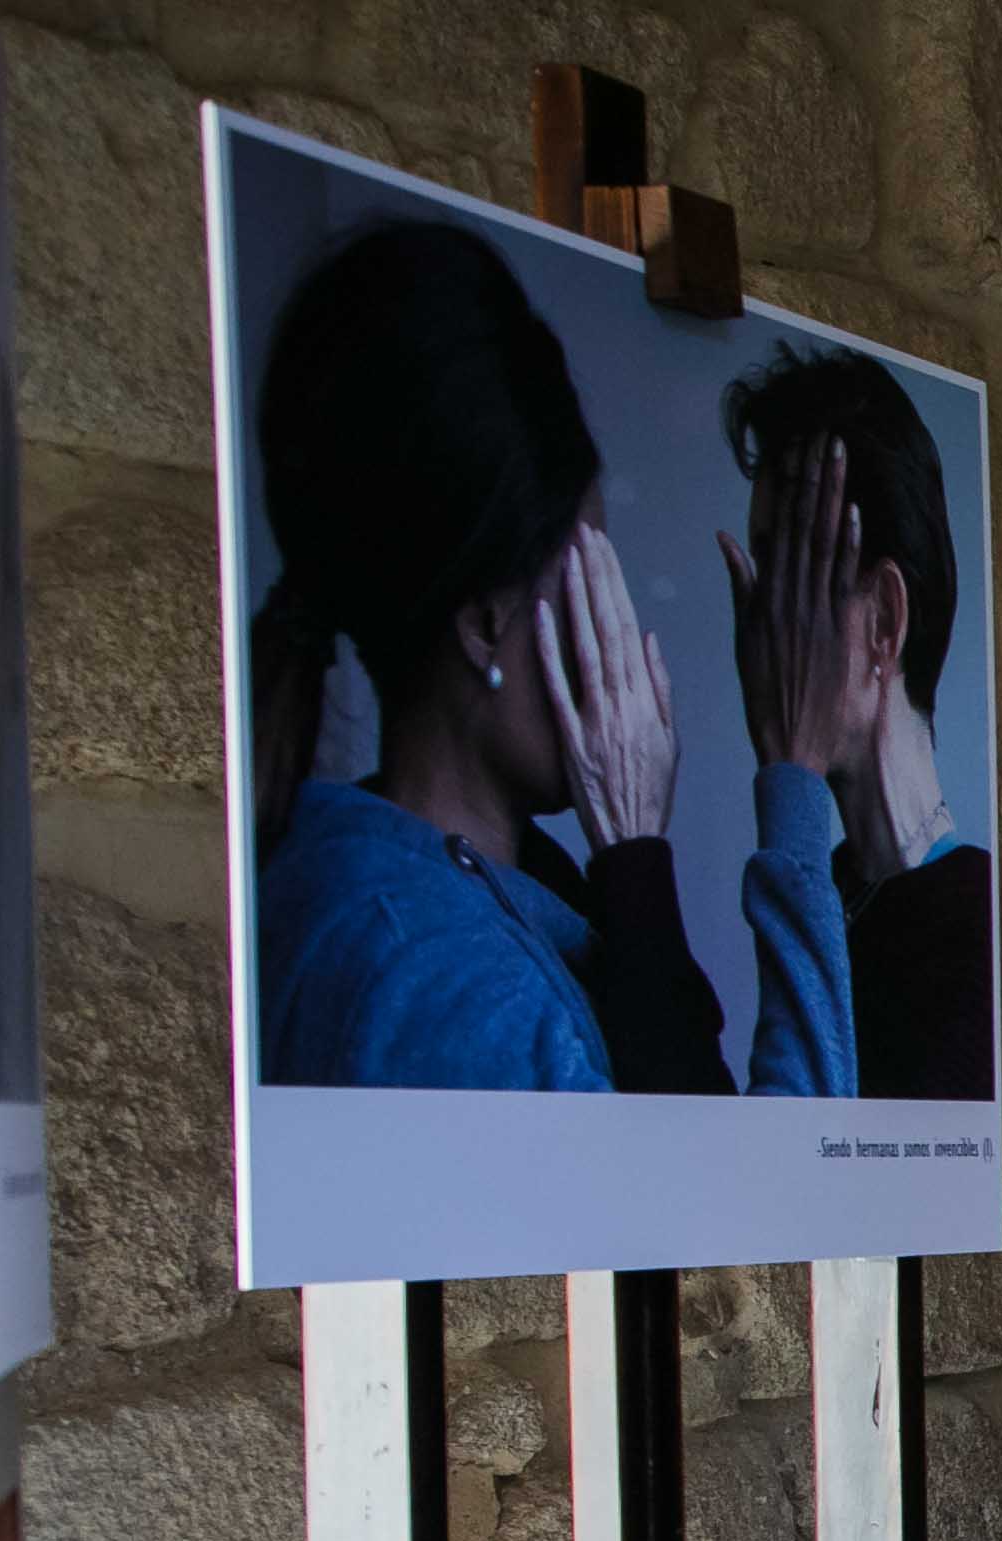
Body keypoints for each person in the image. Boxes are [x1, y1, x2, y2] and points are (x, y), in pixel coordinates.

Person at [245, 219, 843, 1097]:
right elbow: (757, 1218)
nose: (627, 639)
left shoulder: (476, 883)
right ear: (487, 626)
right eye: (592, 576)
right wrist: (642, 849)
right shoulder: (445, 987)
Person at [719, 340, 990, 1099]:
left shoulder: (977, 938)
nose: (768, 615)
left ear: (885, 623)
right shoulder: (833, 892)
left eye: (798, 568)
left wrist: (789, 779)